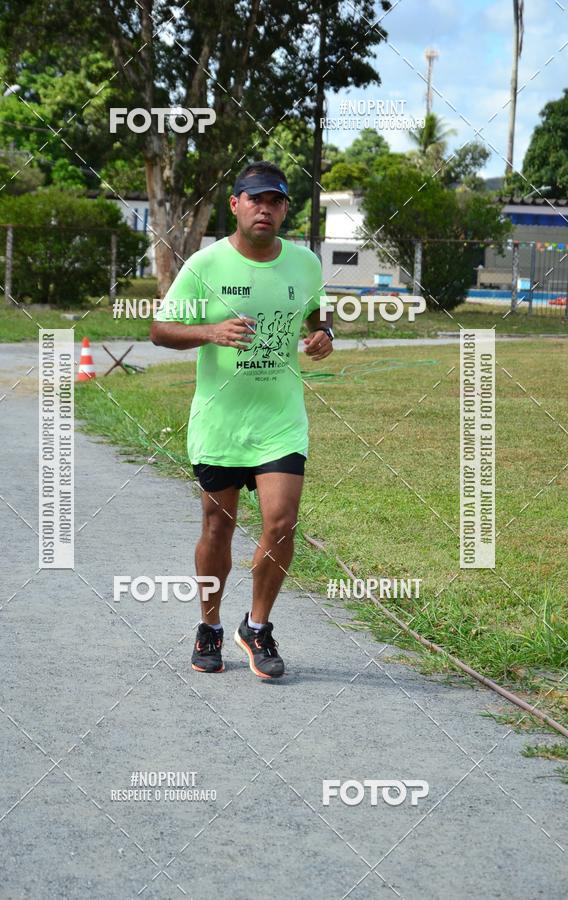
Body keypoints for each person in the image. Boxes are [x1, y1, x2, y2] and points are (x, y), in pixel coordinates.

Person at [150, 160, 334, 679]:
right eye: (255, 199)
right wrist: (210, 332)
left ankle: (256, 626)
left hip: (280, 420)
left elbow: (318, 314)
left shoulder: (305, 264)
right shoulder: (206, 266)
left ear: (283, 210)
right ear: (235, 204)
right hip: (221, 422)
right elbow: (160, 330)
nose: (265, 209)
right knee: (217, 526)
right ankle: (209, 627)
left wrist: (325, 336)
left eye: (275, 201)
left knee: (281, 521)